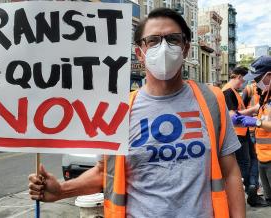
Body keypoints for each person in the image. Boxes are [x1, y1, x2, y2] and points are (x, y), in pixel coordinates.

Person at [28, 8, 245, 218]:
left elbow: (231, 172)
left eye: (173, 39)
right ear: (139, 53)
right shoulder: (119, 110)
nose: (163, 48)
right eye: (153, 41)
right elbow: (105, 173)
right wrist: (61, 191)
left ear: (186, 48)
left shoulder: (211, 99)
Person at [222, 67, 268, 207]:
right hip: (238, 134)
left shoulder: (234, 91)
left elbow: (237, 113)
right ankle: (250, 189)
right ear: (236, 76)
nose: (243, 83)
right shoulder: (228, 91)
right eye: (242, 79)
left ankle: (252, 186)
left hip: (243, 132)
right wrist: (253, 111)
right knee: (245, 164)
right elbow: (232, 116)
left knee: (252, 160)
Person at [237, 55, 271, 206]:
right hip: (263, 155)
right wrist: (240, 115)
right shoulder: (267, 93)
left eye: (258, 78)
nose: (255, 82)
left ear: (269, 75)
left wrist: (256, 122)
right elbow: (259, 107)